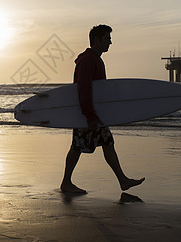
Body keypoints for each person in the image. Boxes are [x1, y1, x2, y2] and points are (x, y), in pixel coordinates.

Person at [60, 24, 144, 194]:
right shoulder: (88, 60)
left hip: (94, 114)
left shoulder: (94, 59)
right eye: (107, 38)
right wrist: (89, 115)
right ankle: (66, 183)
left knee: (107, 143)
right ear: (96, 39)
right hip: (88, 115)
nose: (110, 42)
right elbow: (83, 88)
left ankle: (122, 180)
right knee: (77, 146)